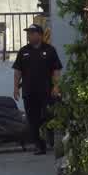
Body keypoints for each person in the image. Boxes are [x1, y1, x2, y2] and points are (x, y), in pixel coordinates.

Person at [13, 24, 62, 155]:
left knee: (48, 115)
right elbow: (17, 71)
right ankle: (39, 146)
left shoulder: (50, 50)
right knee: (33, 119)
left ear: (39, 35)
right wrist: (15, 88)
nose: (29, 36)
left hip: (47, 91)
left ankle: (50, 138)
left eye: (31, 33)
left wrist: (56, 86)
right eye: (28, 33)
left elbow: (56, 70)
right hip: (29, 92)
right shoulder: (23, 51)